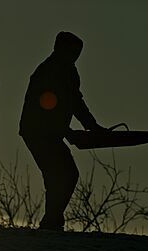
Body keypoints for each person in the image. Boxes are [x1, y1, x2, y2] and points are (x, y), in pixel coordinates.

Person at [19, 31, 106, 231]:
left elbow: (76, 103)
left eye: (78, 52)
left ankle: (52, 220)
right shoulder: (48, 71)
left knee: (63, 174)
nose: (76, 56)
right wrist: (67, 131)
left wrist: (92, 126)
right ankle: (52, 222)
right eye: (73, 51)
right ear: (61, 49)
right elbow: (44, 106)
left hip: (51, 132)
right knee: (61, 173)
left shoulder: (69, 72)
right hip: (37, 131)